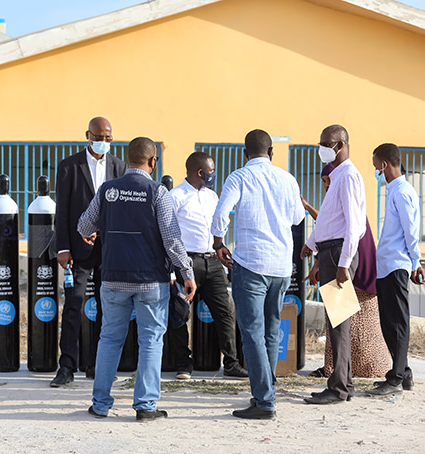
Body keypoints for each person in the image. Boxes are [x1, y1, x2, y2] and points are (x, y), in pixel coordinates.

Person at [78, 137, 197, 421]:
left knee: (108, 339)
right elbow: (171, 240)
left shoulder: (108, 190)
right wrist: (187, 273)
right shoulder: (157, 192)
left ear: (126, 159)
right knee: (151, 341)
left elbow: (84, 225)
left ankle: (100, 404)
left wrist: (94, 232)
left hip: (113, 280)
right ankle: (145, 406)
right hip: (150, 282)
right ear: (153, 161)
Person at [211, 129, 305, 420]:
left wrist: (218, 242)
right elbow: (298, 218)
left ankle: (265, 401)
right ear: (272, 152)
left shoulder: (239, 177)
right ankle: (267, 388)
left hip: (251, 264)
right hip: (280, 267)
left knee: (251, 333)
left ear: (244, 153)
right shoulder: (288, 179)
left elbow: (220, 215)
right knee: (271, 330)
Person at [51, 117, 127, 387]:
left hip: (108, 251)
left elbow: (122, 211)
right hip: (77, 251)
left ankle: (97, 366)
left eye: (108, 138)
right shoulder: (70, 167)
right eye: (99, 137)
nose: (103, 142)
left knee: (107, 309)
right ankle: (67, 367)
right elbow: (62, 211)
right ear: (87, 135)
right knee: (74, 305)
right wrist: (63, 248)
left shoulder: (119, 167)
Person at [302, 164, 391, 379]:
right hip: (339, 262)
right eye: (323, 181)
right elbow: (325, 230)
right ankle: (338, 374)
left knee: (347, 322)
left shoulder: (348, 181)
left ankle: (343, 379)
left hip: (352, 266)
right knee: (336, 320)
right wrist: (315, 259)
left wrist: (341, 266)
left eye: (328, 180)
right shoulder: (335, 195)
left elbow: (347, 232)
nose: (326, 185)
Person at [301, 124, 366, 405]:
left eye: (326, 143)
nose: (322, 148)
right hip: (328, 252)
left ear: (341, 145)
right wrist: (311, 244)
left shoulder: (349, 176)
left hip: (339, 253)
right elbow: (328, 219)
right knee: (335, 321)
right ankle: (343, 383)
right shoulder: (336, 176)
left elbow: (354, 225)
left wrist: (343, 263)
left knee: (339, 322)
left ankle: (339, 388)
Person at [169, 152, 247, 379]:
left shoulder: (213, 196)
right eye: (211, 171)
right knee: (180, 314)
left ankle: (231, 363)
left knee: (224, 311)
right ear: (200, 172)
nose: (214, 175)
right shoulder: (176, 196)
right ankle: (183, 364)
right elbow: (167, 233)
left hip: (212, 262)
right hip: (186, 263)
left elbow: (219, 227)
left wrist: (221, 248)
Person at [366, 143, 425, 396]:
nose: (375, 171)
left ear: (384, 164)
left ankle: (396, 378)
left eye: (375, 166)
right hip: (387, 266)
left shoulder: (402, 192)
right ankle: (405, 372)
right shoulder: (393, 190)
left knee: (398, 324)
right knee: (388, 324)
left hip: (397, 266)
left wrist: (416, 261)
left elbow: (411, 231)